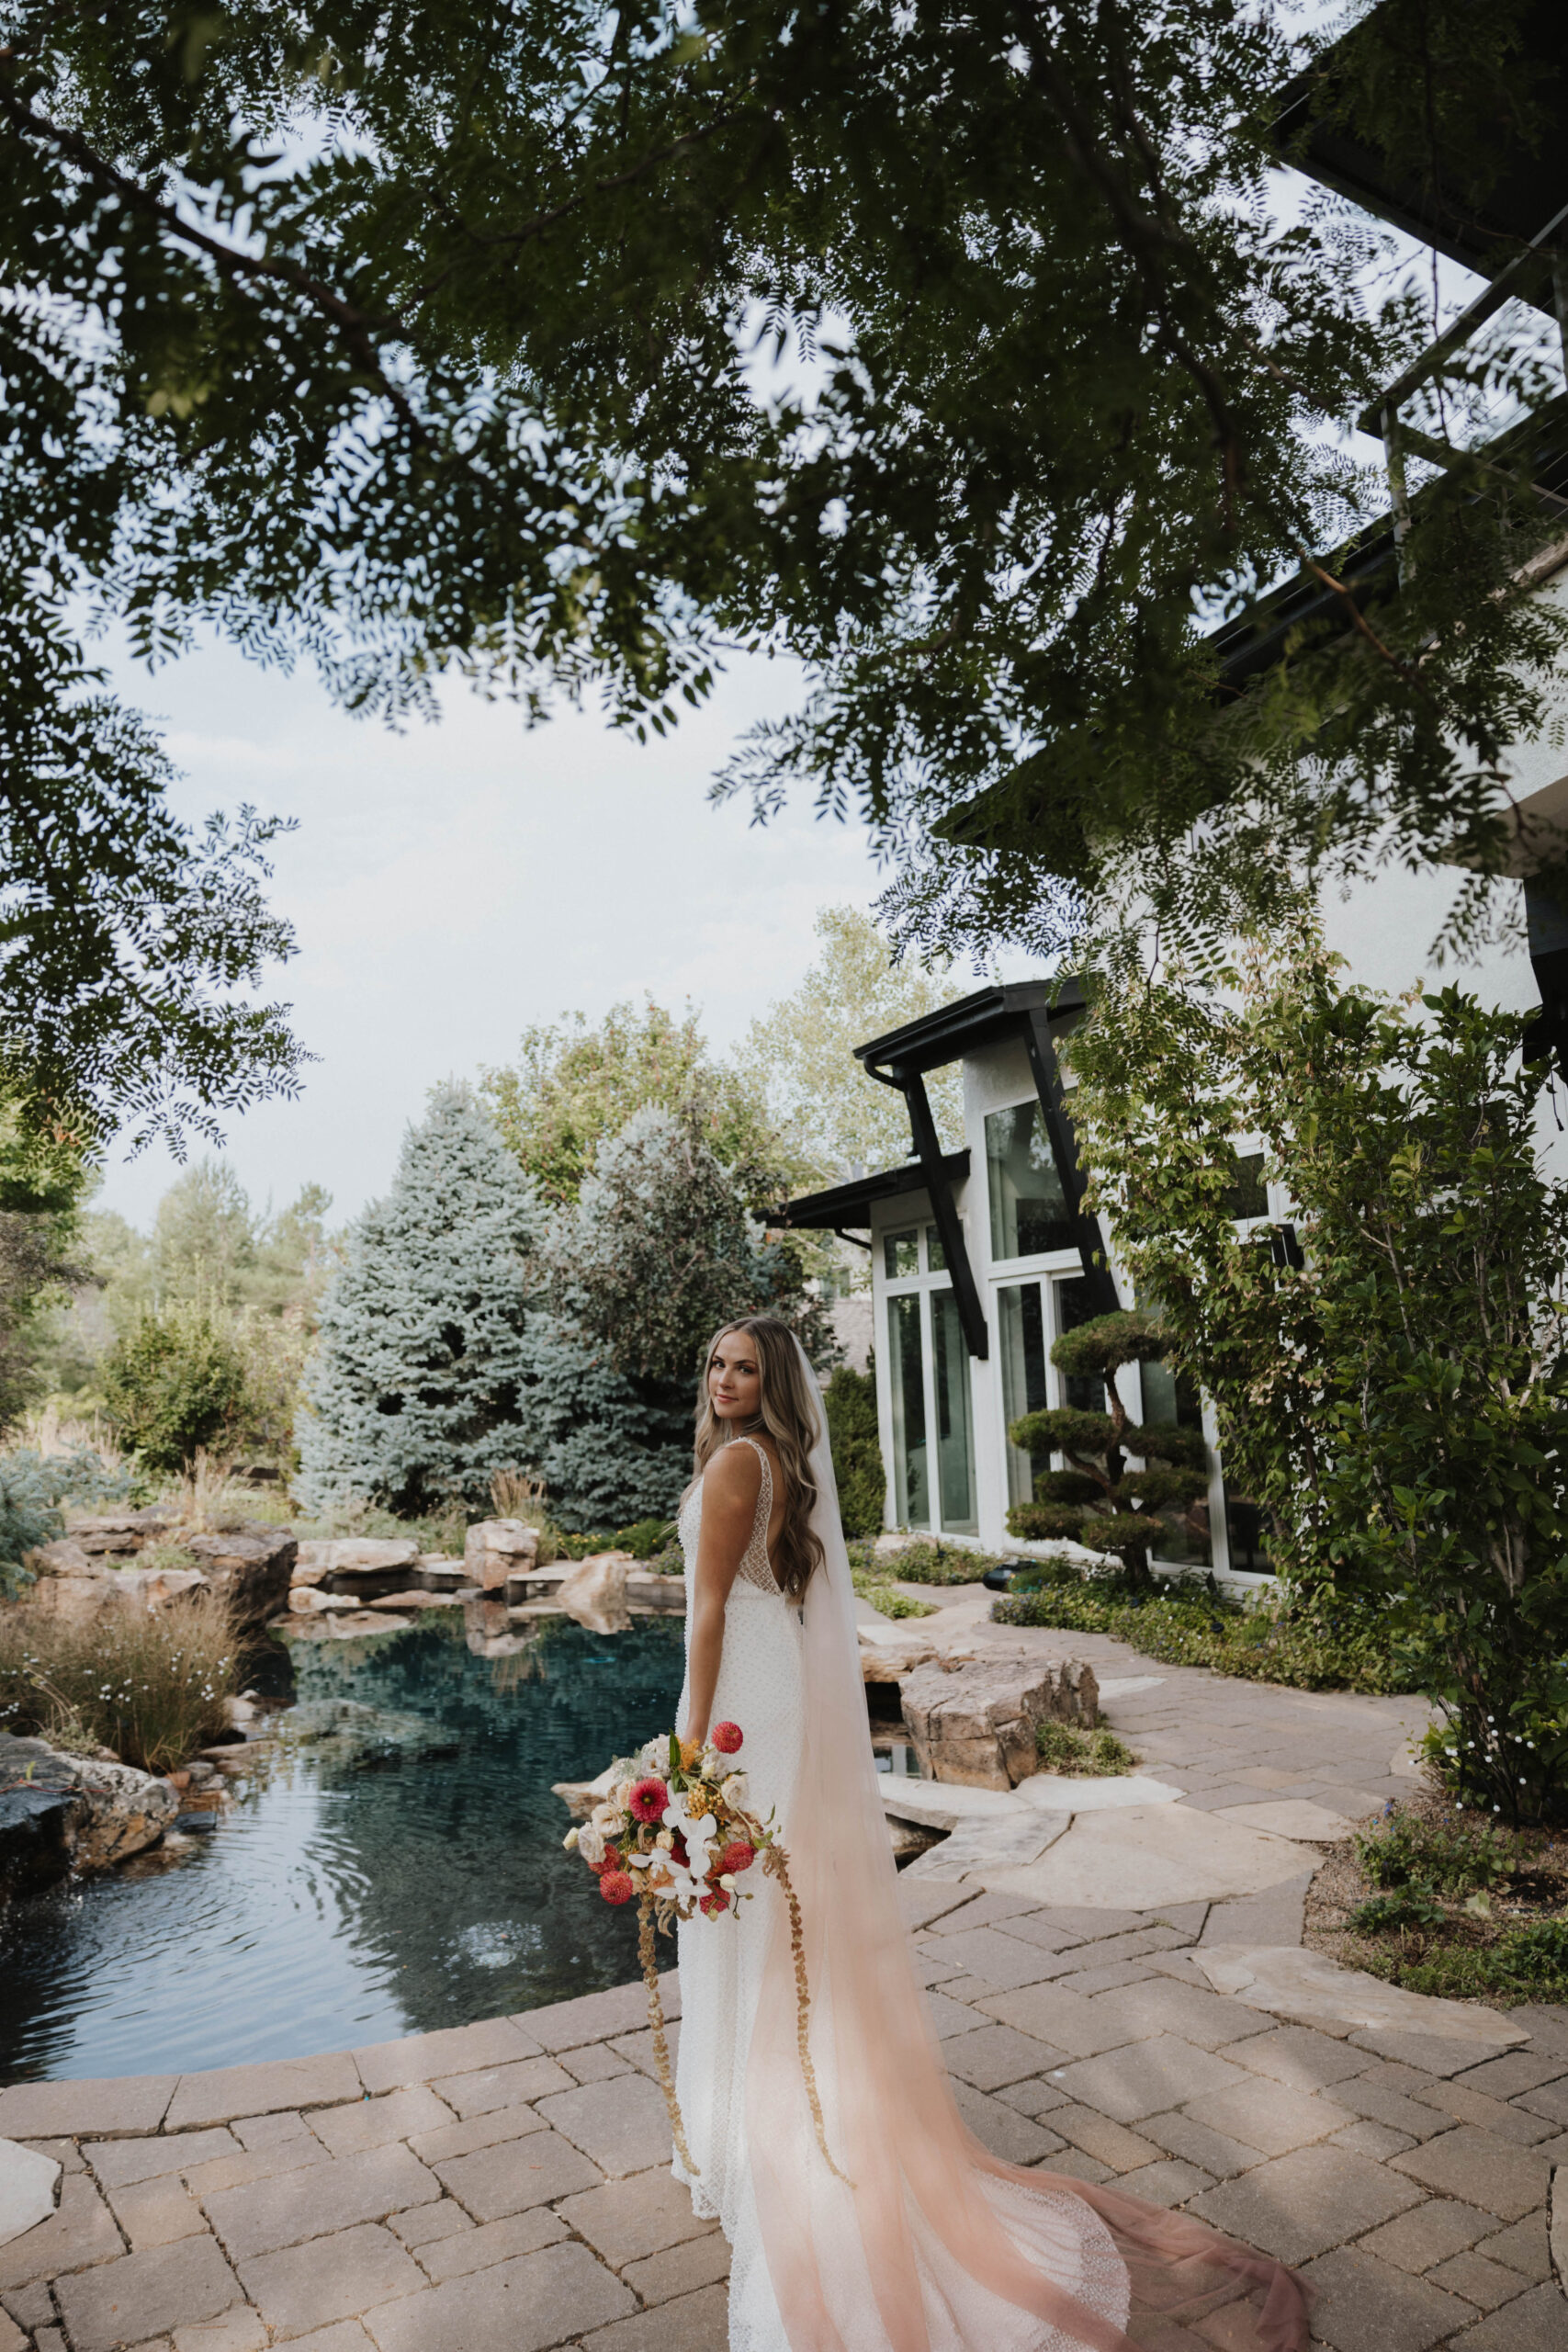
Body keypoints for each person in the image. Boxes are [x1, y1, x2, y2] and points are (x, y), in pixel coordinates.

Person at [674, 1314, 1310, 2352]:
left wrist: (691, 1749)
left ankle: (765, 2141)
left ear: (773, 1381)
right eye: (718, 1363)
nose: (726, 1377)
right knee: (782, 1918)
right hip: (775, 1694)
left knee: (753, 1910)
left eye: (745, 1366)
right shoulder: (780, 1465)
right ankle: (772, 2121)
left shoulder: (741, 1461)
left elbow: (707, 1613)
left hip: (741, 1705)